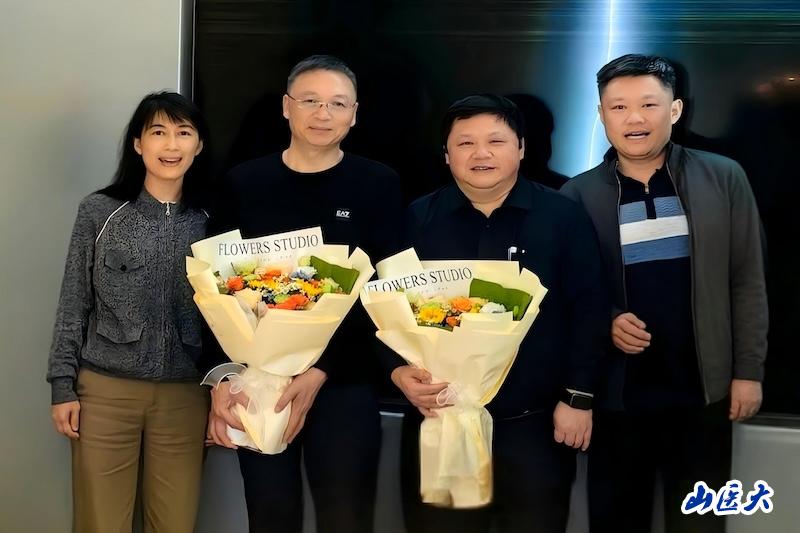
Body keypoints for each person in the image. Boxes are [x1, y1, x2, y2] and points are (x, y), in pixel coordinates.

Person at [561, 54, 768, 533]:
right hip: (617, 400)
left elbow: (748, 279)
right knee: (616, 522)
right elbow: (566, 292)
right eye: (618, 107)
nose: (634, 118)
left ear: (675, 110)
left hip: (704, 393)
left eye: (649, 104)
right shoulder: (577, 195)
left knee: (700, 524)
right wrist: (608, 318)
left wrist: (748, 371)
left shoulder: (723, 177)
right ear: (601, 115)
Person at [389, 94, 609, 533]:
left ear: (521, 148)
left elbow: (589, 308)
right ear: (446, 154)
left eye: (496, 141)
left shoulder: (562, 216)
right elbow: (388, 307)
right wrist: (396, 370)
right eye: (465, 143)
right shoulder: (418, 217)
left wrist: (577, 397)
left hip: (534, 426)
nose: (481, 153)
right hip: (442, 420)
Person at [204, 55, 403, 533]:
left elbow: (386, 292)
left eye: (337, 103)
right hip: (259, 380)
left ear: (354, 114)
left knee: (346, 516)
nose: (323, 114)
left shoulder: (378, 183)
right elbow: (213, 288)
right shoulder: (243, 183)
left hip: (345, 382)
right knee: (270, 514)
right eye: (310, 101)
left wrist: (320, 370)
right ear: (286, 107)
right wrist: (220, 376)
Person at [46, 91, 212, 532]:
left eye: (183, 133)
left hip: (185, 396)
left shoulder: (212, 219)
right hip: (105, 393)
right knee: (101, 522)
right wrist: (62, 385)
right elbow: (73, 302)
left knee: (175, 523)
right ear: (138, 143)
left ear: (199, 145)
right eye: (158, 132)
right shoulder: (99, 211)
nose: (171, 145)